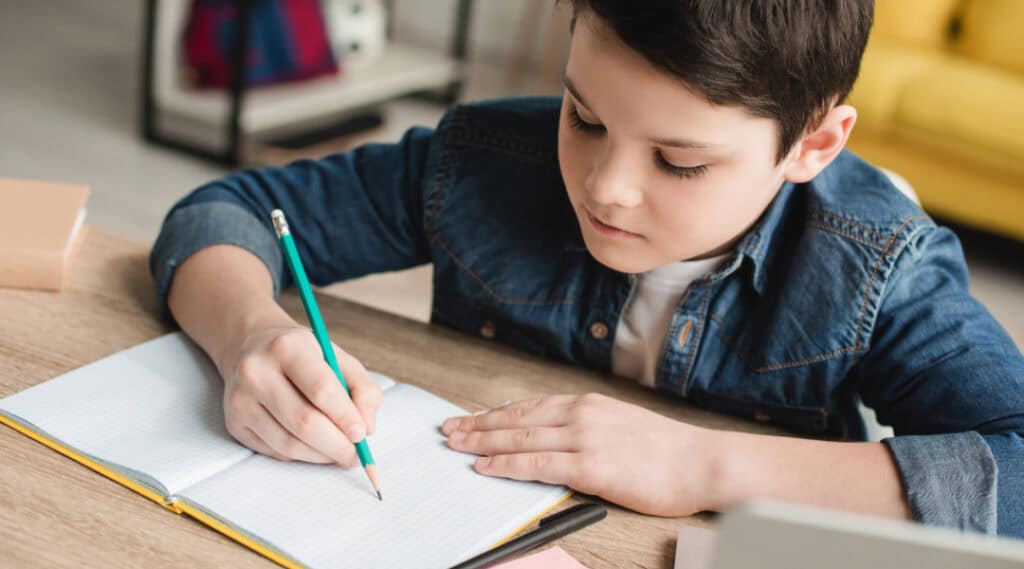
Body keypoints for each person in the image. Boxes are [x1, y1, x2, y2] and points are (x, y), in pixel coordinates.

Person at [150, 0, 1024, 536]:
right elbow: (218, 215)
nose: (606, 187)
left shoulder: (879, 266)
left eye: (679, 162)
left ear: (815, 143)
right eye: (584, 115)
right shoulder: (485, 157)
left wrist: (702, 467)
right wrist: (251, 336)